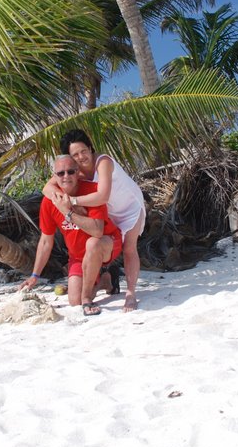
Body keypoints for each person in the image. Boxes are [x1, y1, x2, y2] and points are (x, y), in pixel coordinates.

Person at [42, 129, 145, 312]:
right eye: (75, 154)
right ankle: (104, 280)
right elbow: (47, 188)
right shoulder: (75, 170)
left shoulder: (102, 162)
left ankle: (130, 293)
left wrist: (71, 202)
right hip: (111, 212)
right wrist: (60, 200)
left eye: (84, 151)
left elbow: (103, 196)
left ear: (90, 148)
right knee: (96, 245)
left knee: (129, 248)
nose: (81, 157)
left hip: (129, 207)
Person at [21, 155, 122, 316]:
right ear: (54, 177)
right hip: (78, 256)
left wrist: (68, 212)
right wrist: (34, 275)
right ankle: (106, 281)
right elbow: (46, 241)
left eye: (70, 171)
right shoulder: (49, 202)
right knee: (74, 300)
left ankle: (87, 298)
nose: (66, 176)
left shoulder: (92, 191)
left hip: (106, 243)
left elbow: (97, 231)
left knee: (93, 244)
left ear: (78, 173)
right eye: (60, 173)